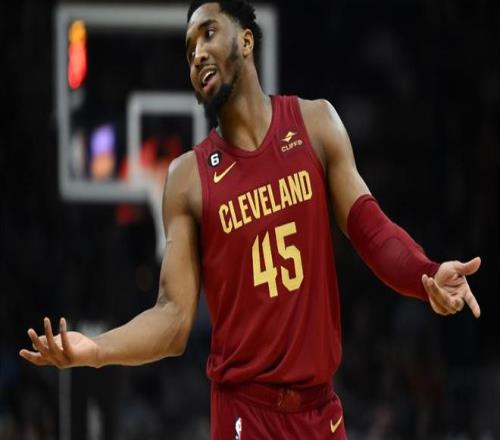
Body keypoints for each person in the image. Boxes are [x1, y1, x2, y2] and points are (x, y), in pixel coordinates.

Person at [20, 1, 481, 438]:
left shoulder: (315, 123)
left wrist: (424, 272)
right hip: (245, 412)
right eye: (189, 49)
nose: (197, 53)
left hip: (319, 410)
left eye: (208, 33)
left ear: (246, 40)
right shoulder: (187, 178)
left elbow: (370, 228)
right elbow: (173, 319)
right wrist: (97, 350)